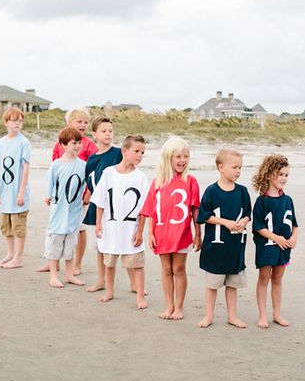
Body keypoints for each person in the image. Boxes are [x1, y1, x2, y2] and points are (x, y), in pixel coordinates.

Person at [140, 136, 201, 320]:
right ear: (168, 158)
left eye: (186, 156)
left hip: (182, 233)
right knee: (166, 270)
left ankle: (179, 307)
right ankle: (169, 306)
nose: (182, 160)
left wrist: (198, 234)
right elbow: (152, 210)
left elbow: (195, 210)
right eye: (178, 156)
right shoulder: (158, 182)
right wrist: (149, 233)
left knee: (179, 269)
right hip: (161, 233)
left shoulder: (191, 181)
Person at [92, 135, 150, 309]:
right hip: (111, 227)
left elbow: (144, 209)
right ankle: (109, 291)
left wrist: (140, 231)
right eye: (137, 151)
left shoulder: (140, 177)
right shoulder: (108, 173)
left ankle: (140, 296)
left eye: (142, 152)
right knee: (109, 262)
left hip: (130, 230)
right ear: (125, 151)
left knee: (137, 264)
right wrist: (98, 223)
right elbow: (100, 200)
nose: (140, 155)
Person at [196, 147, 251, 329]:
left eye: (240, 168)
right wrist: (225, 222)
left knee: (232, 284)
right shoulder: (212, 191)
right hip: (216, 248)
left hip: (235, 247)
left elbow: (248, 214)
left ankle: (232, 315)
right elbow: (203, 215)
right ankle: (209, 315)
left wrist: (243, 221)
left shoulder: (242, 191)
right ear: (221, 167)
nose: (238, 171)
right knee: (213, 285)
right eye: (234, 167)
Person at [251, 154, 298, 328]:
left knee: (278, 278)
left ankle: (277, 313)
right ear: (270, 174)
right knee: (264, 278)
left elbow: (295, 224)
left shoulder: (288, 200)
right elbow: (258, 226)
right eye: (281, 174)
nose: (284, 178)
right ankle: (262, 315)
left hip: (284, 247)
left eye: (286, 175)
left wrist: (293, 238)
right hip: (267, 247)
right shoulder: (261, 201)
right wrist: (275, 238)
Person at [44, 126, 87, 288]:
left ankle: (69, 274)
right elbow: (50, 182)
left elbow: (85, 185)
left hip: (74, 210)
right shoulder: (57, 165)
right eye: (73, 143)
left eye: (79, 142)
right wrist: (49, 196)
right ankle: (53, 275)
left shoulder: (83, 165)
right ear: (63, 145)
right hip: (59, 208)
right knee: (55, 242)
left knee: (70, 243)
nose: (77, 146)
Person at [84, 116, 123, 294]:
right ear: (95, 134)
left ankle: (133, 282)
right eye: (104, 131)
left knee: (123, 243)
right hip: (97, 207)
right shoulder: (91, 160)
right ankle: (101, 280)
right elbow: (91, 184)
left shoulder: (118, 153)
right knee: (100, 246)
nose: (108, 134)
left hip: (116, 207)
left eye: (110, 131)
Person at [0, 107, 31, 269]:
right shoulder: (0, 143)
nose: (18, 124)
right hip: (5, 192)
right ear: (6, 122)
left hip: (17, 193)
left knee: (18, 226)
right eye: (15, 120)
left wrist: (21, 191)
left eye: (20, 121)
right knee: (5, 225)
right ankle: (10, 253)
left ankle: (18, 258)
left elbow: (26, 168)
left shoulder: (24, 142)